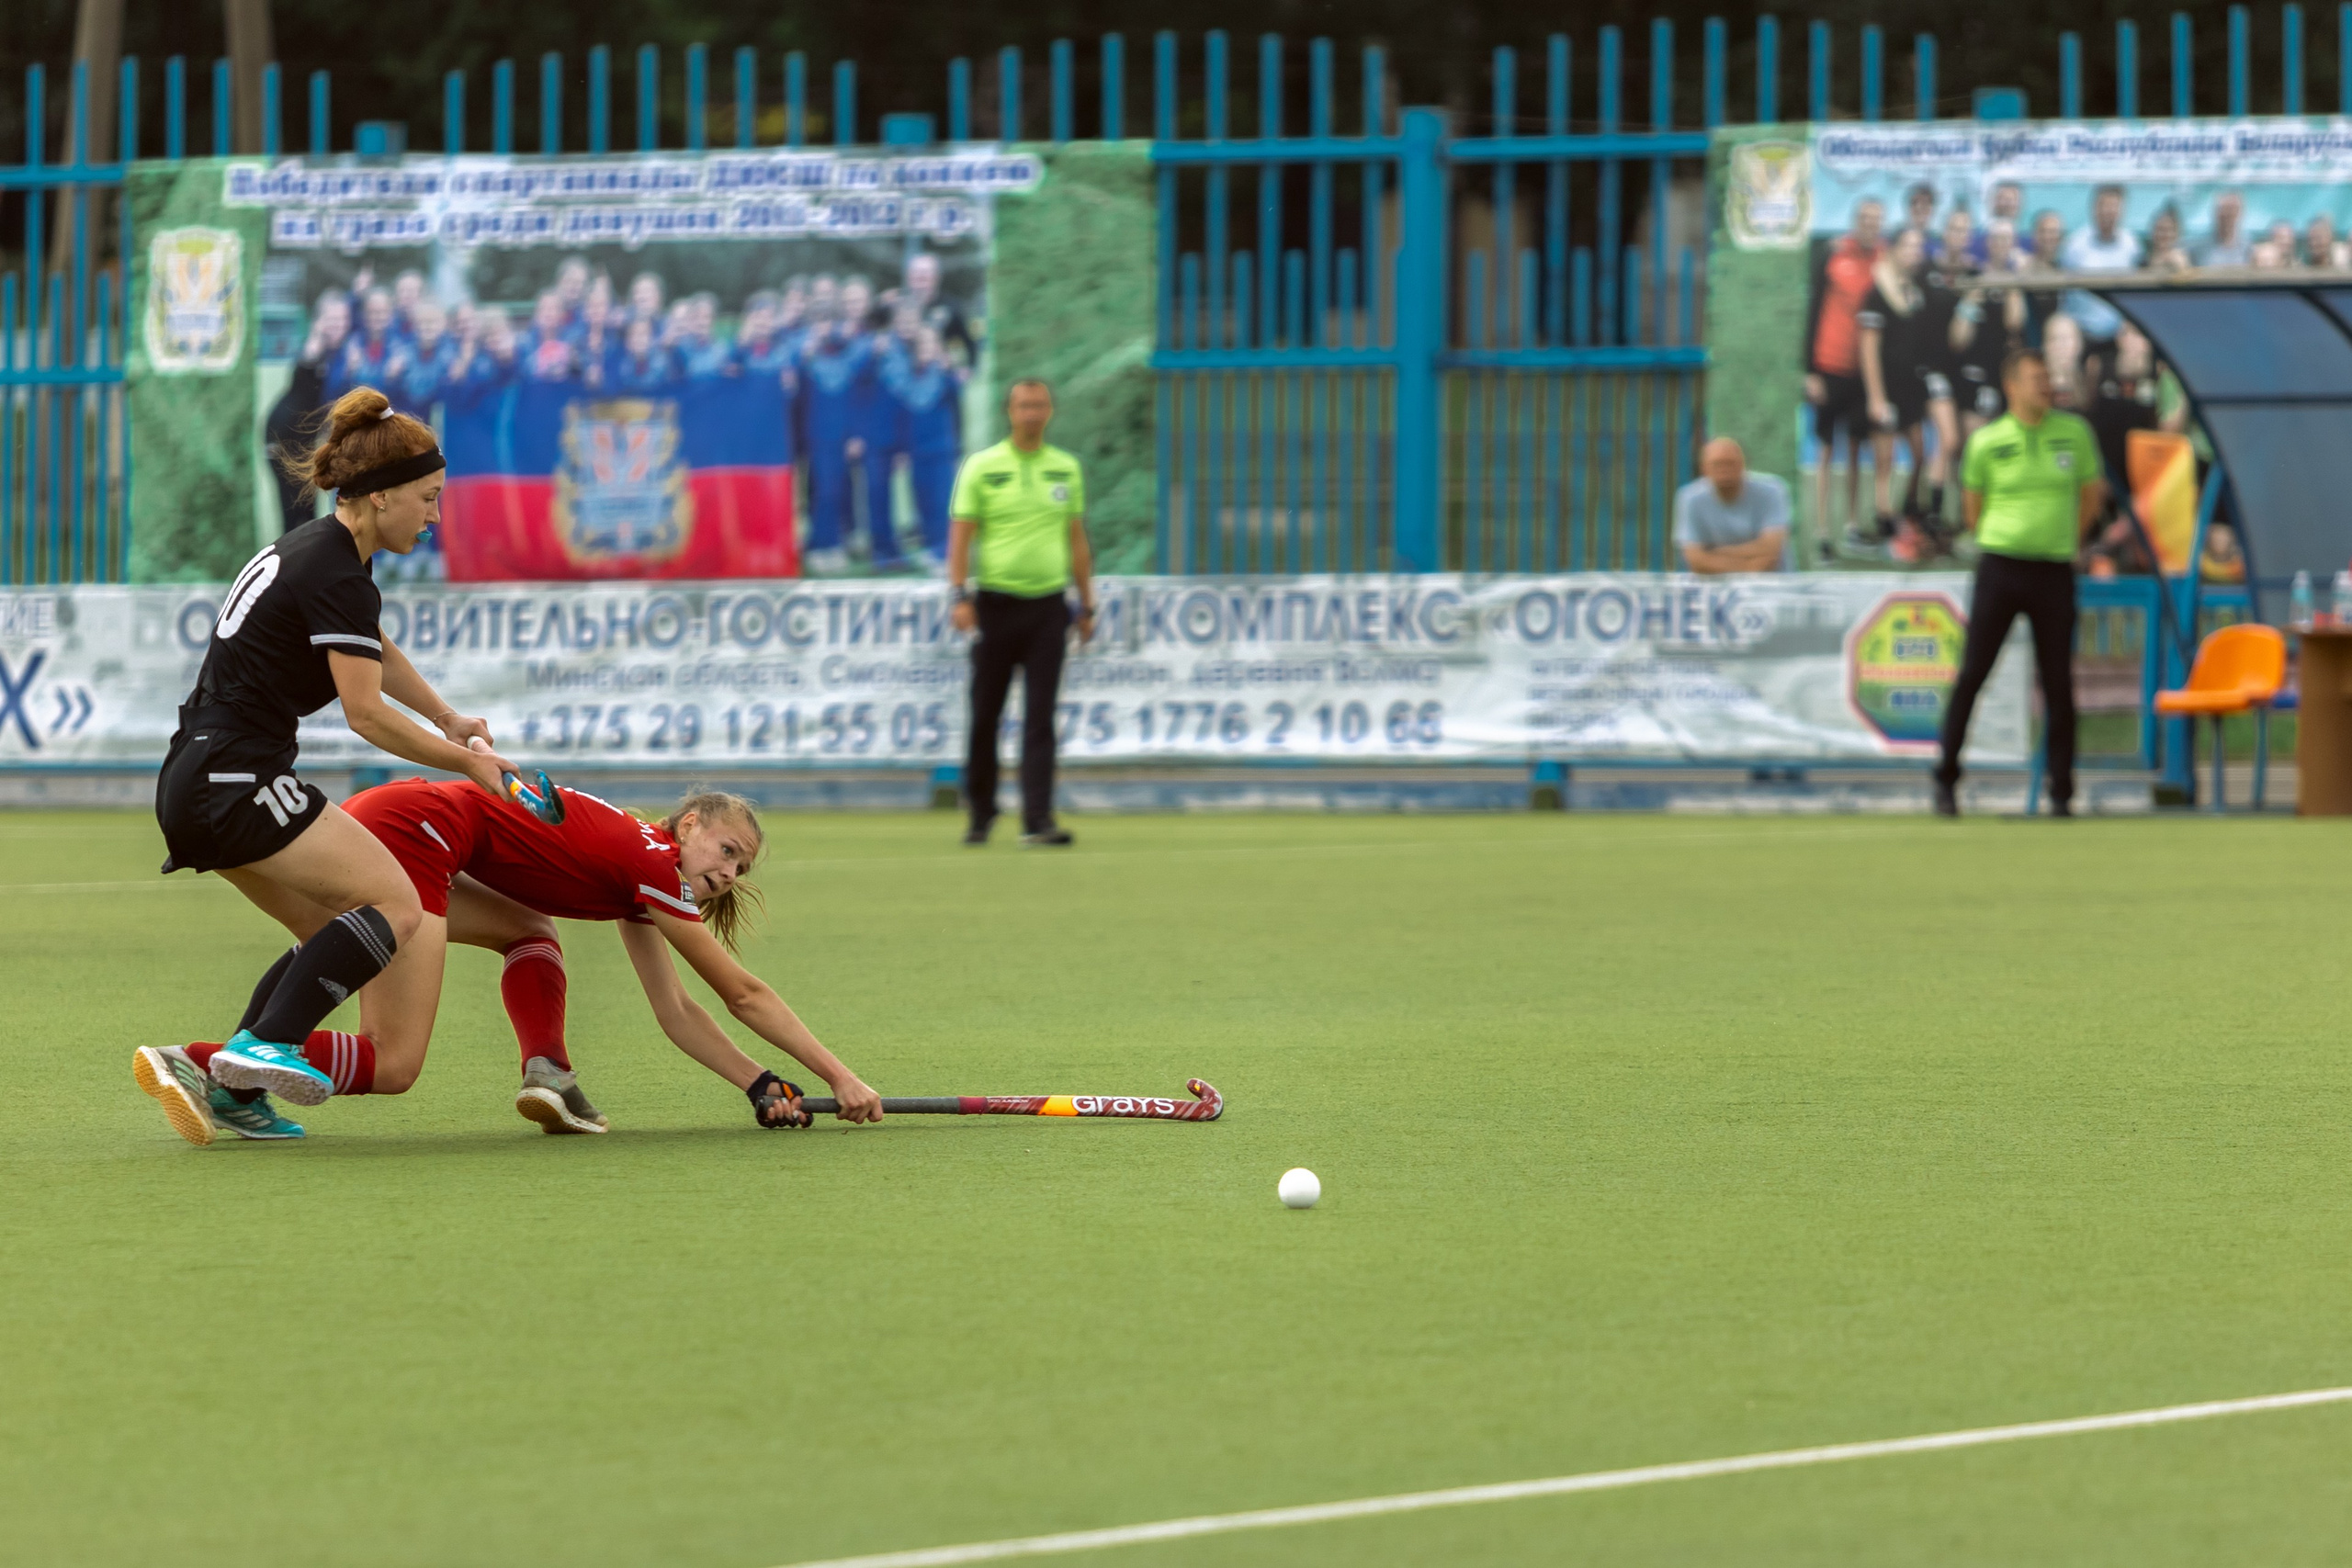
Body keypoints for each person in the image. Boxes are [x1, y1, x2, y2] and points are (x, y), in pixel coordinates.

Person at [131, 388, 519, 1143]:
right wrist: (465, 764)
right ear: (377, 498)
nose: (434, 516)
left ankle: (235, 1091)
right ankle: (257, 1050)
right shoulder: (335, 569)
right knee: (397, 906)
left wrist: (447, 717)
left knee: (329, 930)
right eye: (427, 498)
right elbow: (366, 712)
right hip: (235, 778)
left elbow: (369, 642)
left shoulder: (320, 552)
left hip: (200, 778)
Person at [137, 782, 884, 1145]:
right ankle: (205, 1062)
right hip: (420, 832)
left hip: (410, 819)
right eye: (725, 850)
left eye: (741, 868)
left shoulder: (646, 876)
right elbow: (741, 993)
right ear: (689, 825)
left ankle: (548, 1072)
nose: (729, 873)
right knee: (396, 1063)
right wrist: (838, 1076)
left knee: (531, 931)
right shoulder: (656, 864)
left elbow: (677, 1012)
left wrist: (758, 1083)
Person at [1932, 348, 2104, 818]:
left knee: (2058, 684)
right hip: (2001, 568)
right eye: (2035, 378)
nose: (2045, 385)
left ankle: (2062, 792)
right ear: (2011, 386)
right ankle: (1946, 780)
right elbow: (1972, 510)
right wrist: (2005, 534)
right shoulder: (1987, 441)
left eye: (2047, 377)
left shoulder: (2074, 433)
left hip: (2053, 570)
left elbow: (2091, 495)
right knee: (1973, 675)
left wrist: (2069, 539)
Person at [948, 378, 1094, 847]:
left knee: (1040, 717)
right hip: (994, 606)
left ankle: (1038, 818)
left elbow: (1076, 540)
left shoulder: (1065, 468)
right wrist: (959, 596)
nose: (1031, 413)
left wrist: (1086, 602)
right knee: (986, 713)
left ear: (1049, 411)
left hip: (1050, 607)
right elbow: (961, 536)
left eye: (1039, 405)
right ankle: (981, 813)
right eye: (1023, 405)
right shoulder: (983, 467)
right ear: (1010, 410)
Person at [1804, 197, 1884, 550]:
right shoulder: (1834, 255)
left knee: (1855, 449)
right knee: (1825, 449)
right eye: (1865, 218)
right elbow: (1813, 310)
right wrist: (1809, 371)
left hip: (1862, 374)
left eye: (1876, 220)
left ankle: (1851, 528)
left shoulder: (1885, 261)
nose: (1870, 224)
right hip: (1828, 367)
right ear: (1856, 221)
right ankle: (1822, 532)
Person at [1856, 226, 1934, 548]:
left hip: (1911, 388)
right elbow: (1868, 348)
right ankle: (1884, 522)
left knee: (1919, 453)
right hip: (1885, 389)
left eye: (1919, 247)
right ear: (1893, 249)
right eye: (1908, 246)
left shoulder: (1914, 289)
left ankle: (1909, 511)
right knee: (1885, 459)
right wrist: (1876, 398)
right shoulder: (1876, 291)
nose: (1914, 252)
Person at [1673, 437, 1789, 574]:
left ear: (1743, 465)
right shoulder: (1689, 498)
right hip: (1712, 590)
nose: (1724, 470)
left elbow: (1772, 550)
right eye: (1717, 464)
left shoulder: (1772, 491)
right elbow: (1694, 559)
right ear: (1703, 468)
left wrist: (1716, 552)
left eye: (1730, 463)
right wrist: (1750, 565)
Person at [2059, 185, 2141, 358]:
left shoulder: (2132, 245)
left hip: (2120, 327)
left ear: (2122, 210)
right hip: (2079, 326)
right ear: (2094, 208)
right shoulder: (2074, 245)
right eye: (2104, 205)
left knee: (2137, 349)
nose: (2108, 211)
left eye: (2114, 206)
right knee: (2061, 339)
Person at [2192, 190, 2250, 267]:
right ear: (2215, 213)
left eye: (2231, 211)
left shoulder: (2249, 248)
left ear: (2240, 213)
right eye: (2223, 210)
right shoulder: (2199, 247)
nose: (2226, 215)